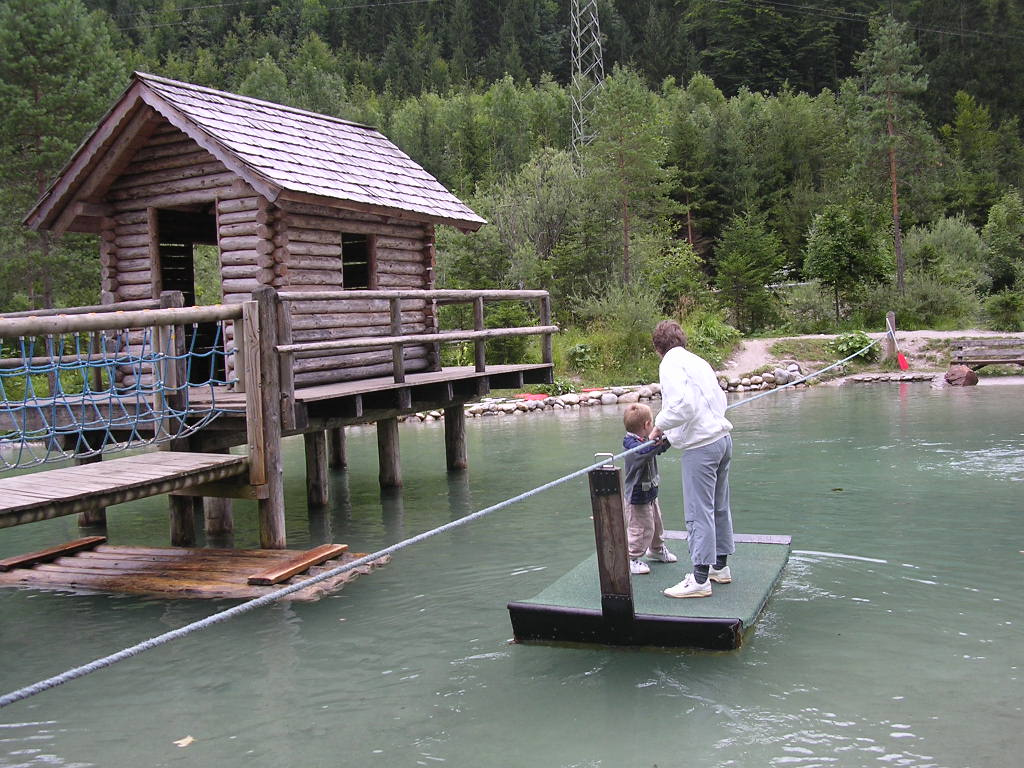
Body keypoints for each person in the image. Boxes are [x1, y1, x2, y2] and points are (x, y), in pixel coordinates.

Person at [648, 320, 735, 599]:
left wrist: (659, 427)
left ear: (658, 348)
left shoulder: (669, 364)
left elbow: (682, 406)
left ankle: (699, 579)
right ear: (681, 340)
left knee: (699, 513)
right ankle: (719, 568)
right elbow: (713, 403)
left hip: (702, 449)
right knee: (718, 507)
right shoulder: (697, 360)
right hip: (723, 441)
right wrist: (673, 438)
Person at [621, 403, 675, 575]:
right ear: (646, 425)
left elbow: (658, 448)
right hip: (637, 496)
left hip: (650, 493)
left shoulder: (645, 440)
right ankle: (631, 558)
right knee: (641, 528)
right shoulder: (632, 444)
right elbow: (647, 451)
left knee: (657, 524)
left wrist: (671, 436)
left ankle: (657, 549)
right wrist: (658, 440)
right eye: (652, 424)